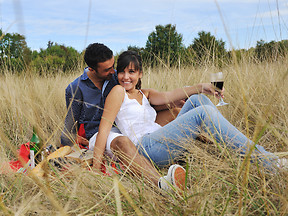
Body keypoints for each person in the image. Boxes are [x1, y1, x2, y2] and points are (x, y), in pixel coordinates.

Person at [91, 50, 285, 189]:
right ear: (117, 73)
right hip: (145, 147)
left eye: (131, 72)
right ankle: (269, 163)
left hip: (160, 139)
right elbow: (105, 126)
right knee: (203, 114)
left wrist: (201, 87)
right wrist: (95, 165)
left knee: (197, 100)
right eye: (122, 71)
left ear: (140, 74)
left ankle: (234, 150)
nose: (126, 77)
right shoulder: (117, 92)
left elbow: (169, 96)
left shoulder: (145, 93)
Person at [61, 43, 186, 192]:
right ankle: (161, 184)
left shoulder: (116, 77)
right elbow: (69, 125)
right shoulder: (75, 88)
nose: (113, 71)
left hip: (127, 127)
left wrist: (169, 104)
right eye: (107, 69)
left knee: (176, 112)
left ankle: (198, 153)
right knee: (122, 141)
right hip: (99, 134)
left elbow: (136, 102)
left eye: (113, 66)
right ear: (93, 69)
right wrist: (74, 141)